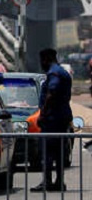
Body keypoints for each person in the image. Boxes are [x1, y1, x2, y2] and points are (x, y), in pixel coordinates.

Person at [31, 48, 72, 192]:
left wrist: (43, 114)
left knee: (47, 151)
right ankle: (59, 181)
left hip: (53, 118)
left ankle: (48, 181)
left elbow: (52, 93)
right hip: (61, 117)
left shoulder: (54, 73)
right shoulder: (62, 71)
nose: (41, 63)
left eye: (42, 60)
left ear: (46, 59)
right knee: (59, 152)